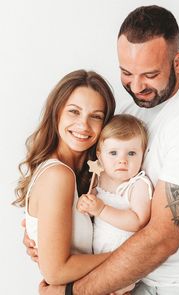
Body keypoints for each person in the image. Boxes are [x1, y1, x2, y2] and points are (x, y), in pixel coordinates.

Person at [26, 5, 179, 295]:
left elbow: (161, 240)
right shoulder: (133, 109)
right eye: (126, 72)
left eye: (150, 74)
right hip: (129, 281)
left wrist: (71, 291)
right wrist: (47, 234)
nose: (137, 86)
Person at [13, 69, 116, 285]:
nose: (83, 125)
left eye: (96, 116)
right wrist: (128, 258)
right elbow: (56, 272)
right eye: (74, 112)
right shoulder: (58, 175)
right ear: (56, 112)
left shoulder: (84, 175)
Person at [77, 114, 153, 294]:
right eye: (113, 153)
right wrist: (85, 204)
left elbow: (138, 221)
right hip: (97, 258)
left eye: (131, 153)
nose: (122, 160)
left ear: (143, 154)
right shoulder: (99, 178)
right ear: (99, 155)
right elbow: (90, 204)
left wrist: (101, 209)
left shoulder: (138, 185)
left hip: (125, 264)